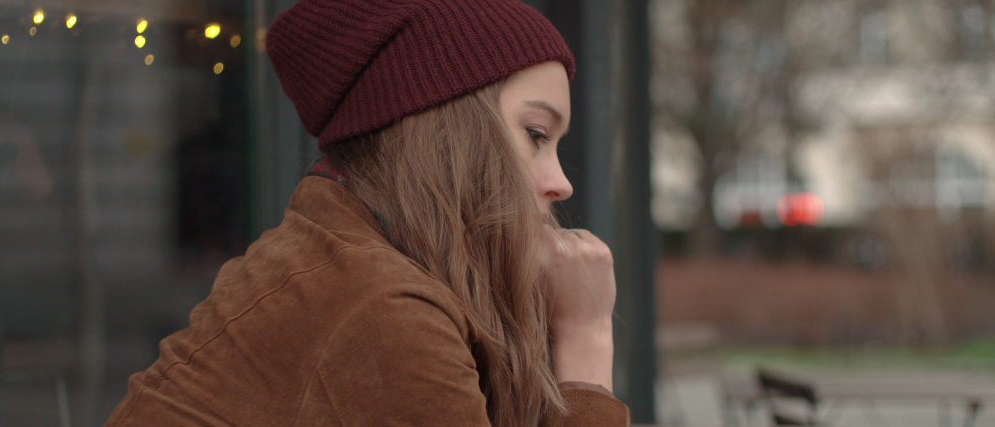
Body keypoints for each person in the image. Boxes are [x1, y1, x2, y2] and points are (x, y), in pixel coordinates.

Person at [104, 0, 627, 425]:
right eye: (535, 134)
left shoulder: (336, 256)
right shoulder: (382, 306)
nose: (561, 183)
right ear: (447, 133)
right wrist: (585, 341)